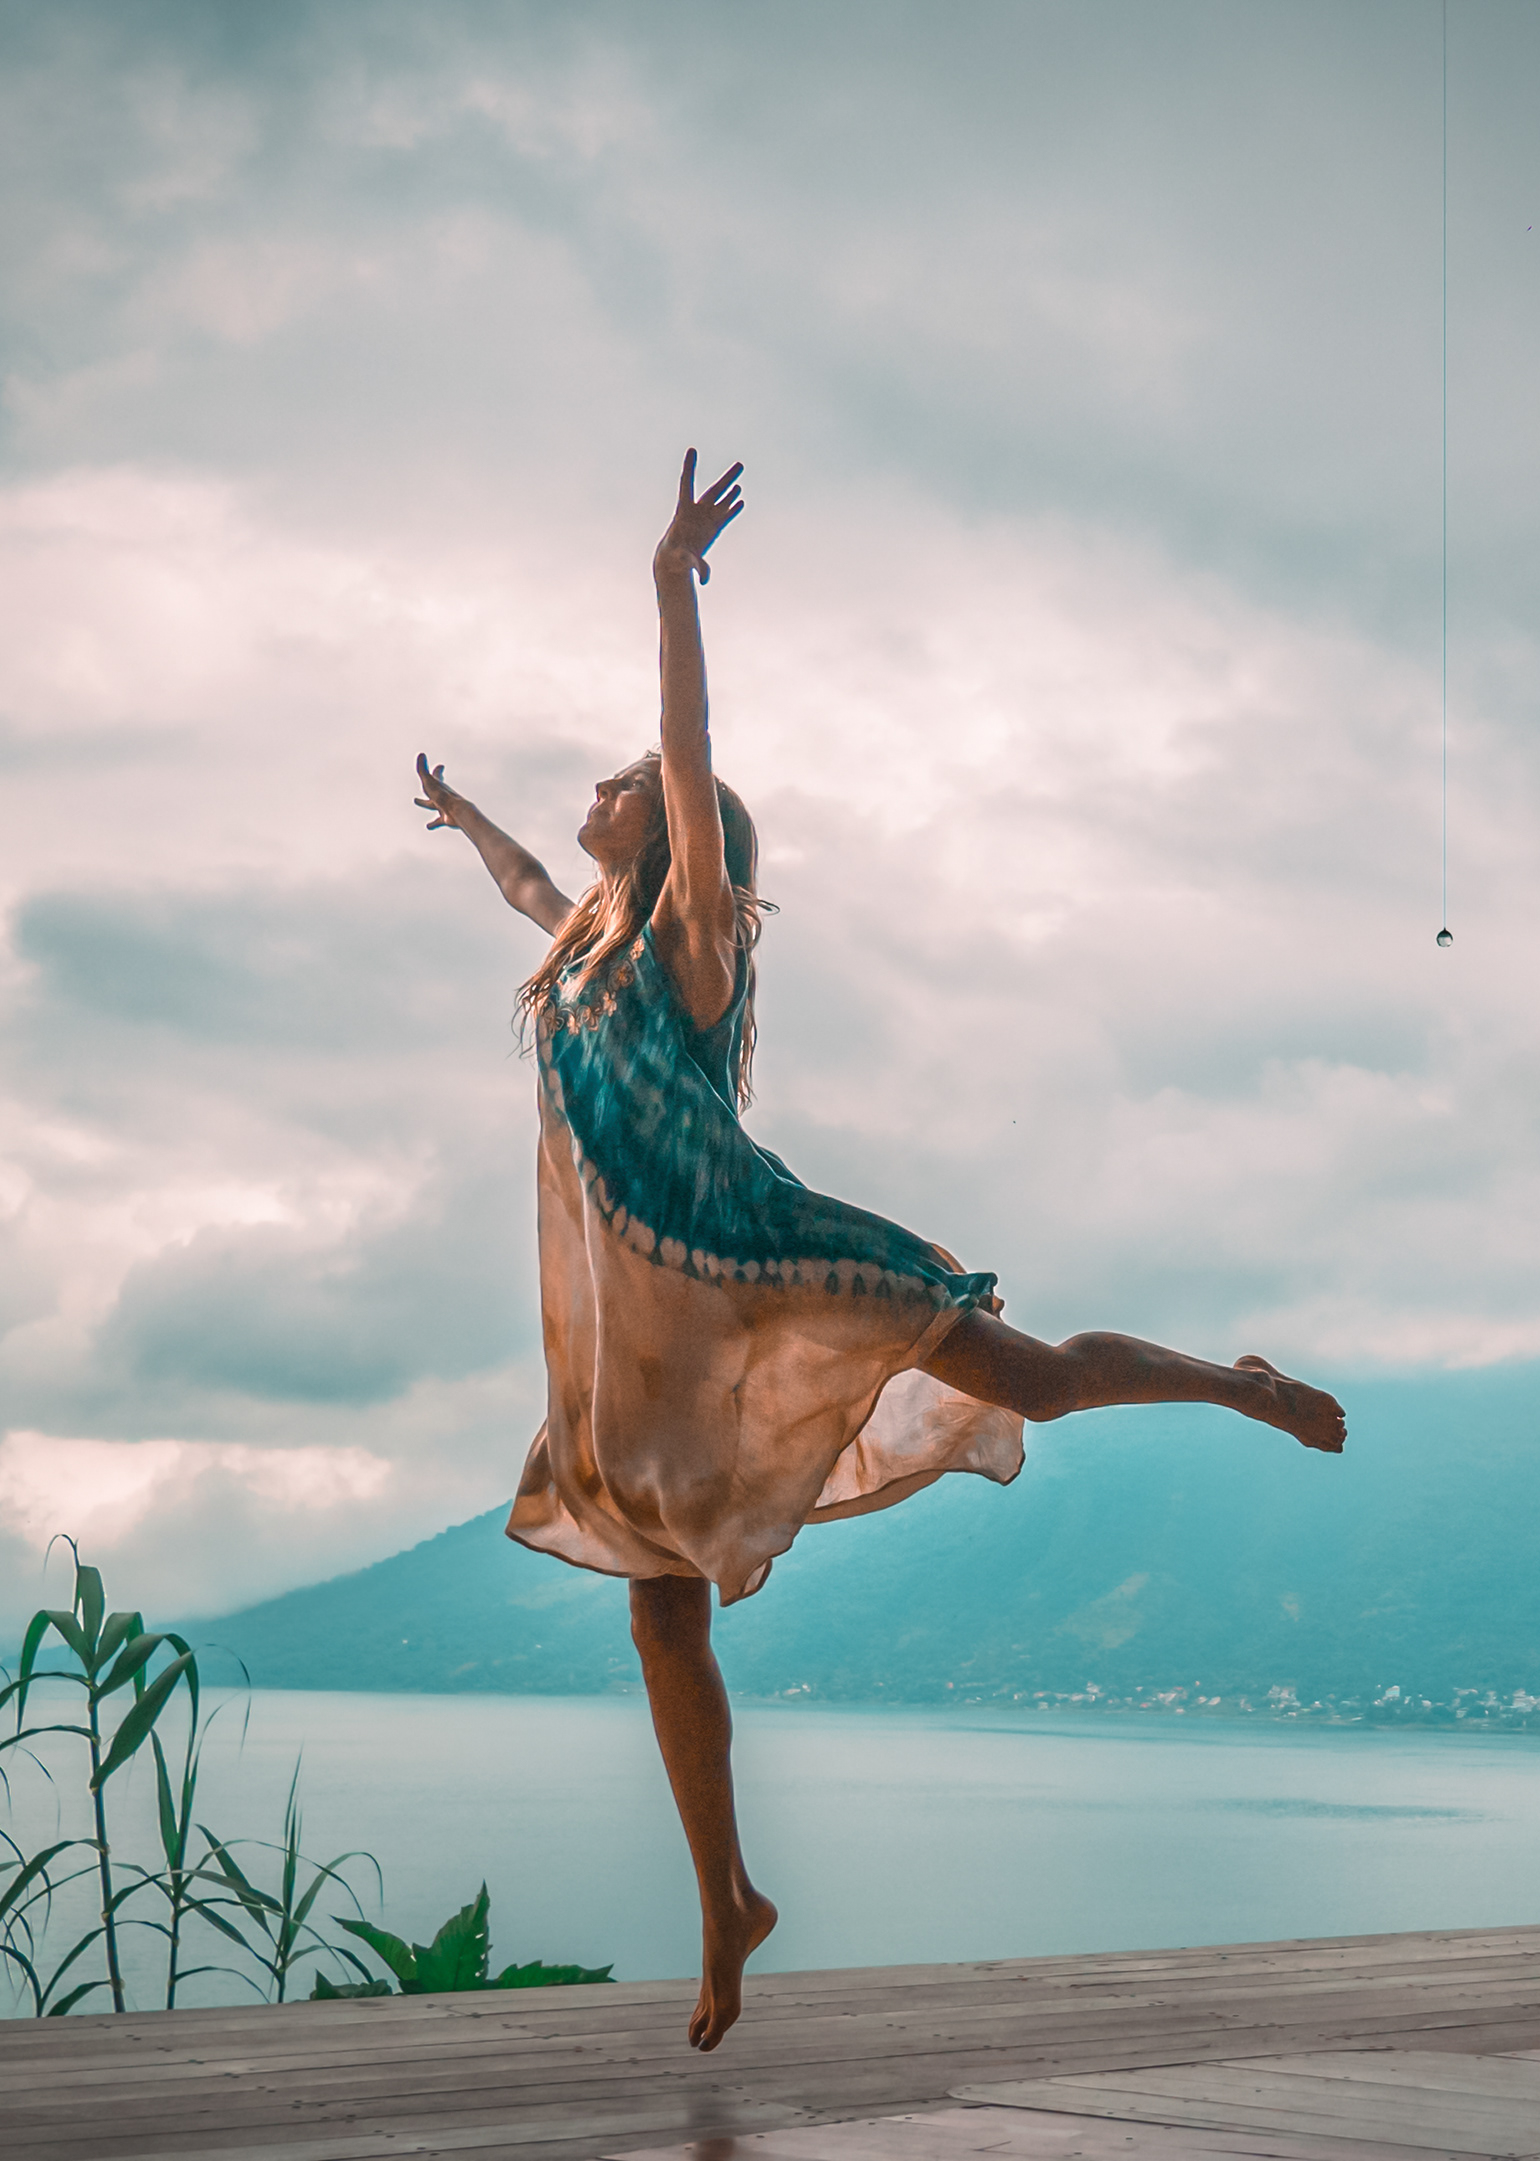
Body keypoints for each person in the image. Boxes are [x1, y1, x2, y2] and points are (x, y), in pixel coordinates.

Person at [412, 452, 1345, 2051]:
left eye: (627, 783)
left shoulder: (691, 943)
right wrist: (466, 819)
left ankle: (1233, 1381)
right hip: (650, 1326)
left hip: (768, 1260)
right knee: (657, 1610)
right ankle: (728, 1902)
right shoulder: (579, 950)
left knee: (1035, 1383)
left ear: (680, 832)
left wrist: (667, 588)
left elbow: (694, 762)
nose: (615, 787)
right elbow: (522, 885)